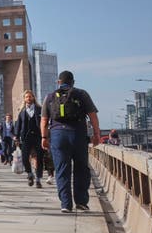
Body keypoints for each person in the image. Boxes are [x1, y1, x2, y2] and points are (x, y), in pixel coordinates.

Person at [41, 71, 100, 213]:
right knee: (81, 169)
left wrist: (44, 137)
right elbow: (92, 116)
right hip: (77, 134)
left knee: (62, 170)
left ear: (58, 82)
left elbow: (43, 120)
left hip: (57, 135)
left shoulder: (49, 97)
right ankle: (81, 202)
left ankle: (66, 204)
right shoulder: (82, 94)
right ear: (73, 82)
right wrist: (96, 134)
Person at [16, 91, 44, 187]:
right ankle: (29, 174)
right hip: (25, 137)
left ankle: (38, 179)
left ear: (33, 98)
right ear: (24, 99)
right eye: (26, 97)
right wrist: (16, 136)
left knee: (39, 158)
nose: (28, 98)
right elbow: (18, 125)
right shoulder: (21, 111)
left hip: (38, 136)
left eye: (30, 96)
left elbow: (44, 122)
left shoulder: (40, 109)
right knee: (24, 158)